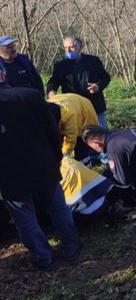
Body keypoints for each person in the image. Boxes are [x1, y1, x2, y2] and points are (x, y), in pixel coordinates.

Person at [0, 87, 81, 270]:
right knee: (58, 206)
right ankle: (71, 245)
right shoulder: (30, 94)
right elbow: (51, 128)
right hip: (43, 164)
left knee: (24, 218)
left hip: (9, 174)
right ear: (2, 76)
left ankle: (43, 257)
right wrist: (56, 156)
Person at [47, 36, 111, 128]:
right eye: (65, 48)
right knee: (75, 135)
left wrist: (98, 86)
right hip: (72, 107)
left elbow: (106, 77)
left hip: (94, 106)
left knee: (99, 135)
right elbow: (53, 81)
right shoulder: (60, 66)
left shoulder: (93, 61)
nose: (68, 50)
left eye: (72, 47)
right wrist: (51, 91)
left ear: (80, 47)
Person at [47, 93, 99, 159]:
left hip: (84, 110)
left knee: (82, 145)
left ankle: (88, 162)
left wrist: (64, 155)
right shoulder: (45, 110)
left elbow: (70, 138)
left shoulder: (70, 115)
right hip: (69, 102)